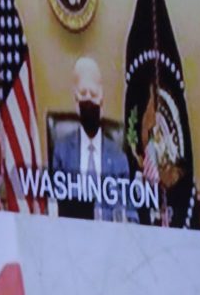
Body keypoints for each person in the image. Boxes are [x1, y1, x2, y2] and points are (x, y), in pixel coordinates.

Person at [51, 57, 137, 222]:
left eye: (94, 94)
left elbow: (131, 215)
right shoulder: (62, 152)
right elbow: (54, 208)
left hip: (109, 240)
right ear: (76, 103)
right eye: (83, 94)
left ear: (102, 102)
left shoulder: (119, 158)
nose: (89, 99)